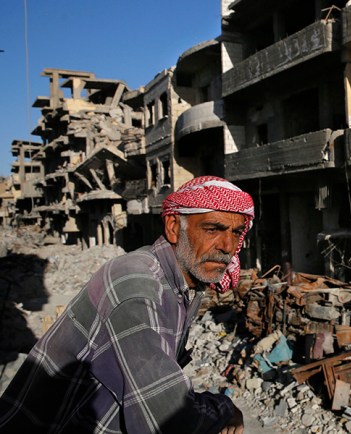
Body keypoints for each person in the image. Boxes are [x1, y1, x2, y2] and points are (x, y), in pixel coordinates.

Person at [0, 176, 254, 434]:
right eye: (212, 229)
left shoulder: (179, 283)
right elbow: (169, 417)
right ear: (174, 227)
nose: (228, 246)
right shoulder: (136, 283)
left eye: (235, 232)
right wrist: (225, 408)